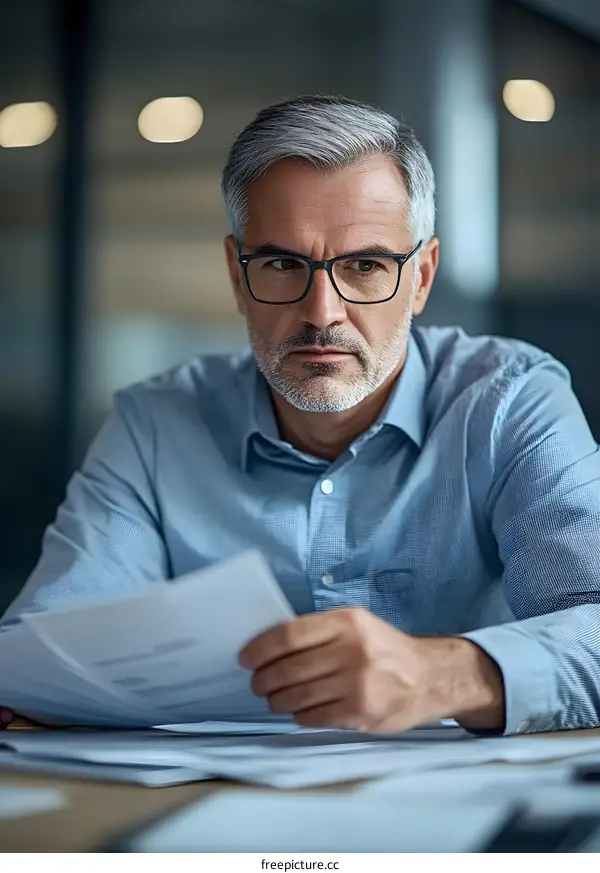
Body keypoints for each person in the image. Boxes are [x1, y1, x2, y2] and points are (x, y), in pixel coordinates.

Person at [3, 95, 600, 737]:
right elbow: (46, 656)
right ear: (237, 276)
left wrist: (444, 674)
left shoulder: (509, 402)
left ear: (421, 277)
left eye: (366, 266)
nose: (322, 312)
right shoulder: (157, 424)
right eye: (284, 264)